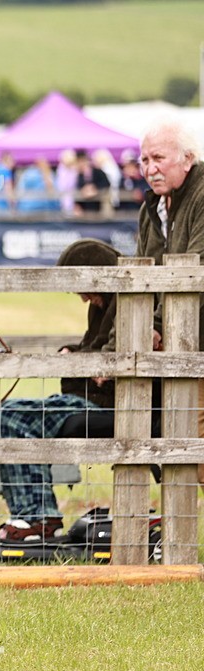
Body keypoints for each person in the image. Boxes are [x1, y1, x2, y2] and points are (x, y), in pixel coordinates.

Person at [0, 240, 123, 541]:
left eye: (82, 289)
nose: (82, 299)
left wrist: (81, 362)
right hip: (86, 395)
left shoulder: (124, 303)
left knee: (12, 417)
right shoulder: (101, 305)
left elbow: (108, 363)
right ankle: (30, 516)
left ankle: (38, 518)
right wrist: (73, 352)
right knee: (7, 414)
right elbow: (94, 350)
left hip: (104, 402)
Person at [136, 118, 204, 484]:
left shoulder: (202, 196)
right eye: (144, 160)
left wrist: (158, 326)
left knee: (192, 447)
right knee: (169, 442)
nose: (150, 168)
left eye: (158, 157)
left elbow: (196, 267)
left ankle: (179, 534)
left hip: (198, 343)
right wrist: (148, 327)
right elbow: (140, 277)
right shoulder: (152, 208)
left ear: (187, 158)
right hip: (171, 349)